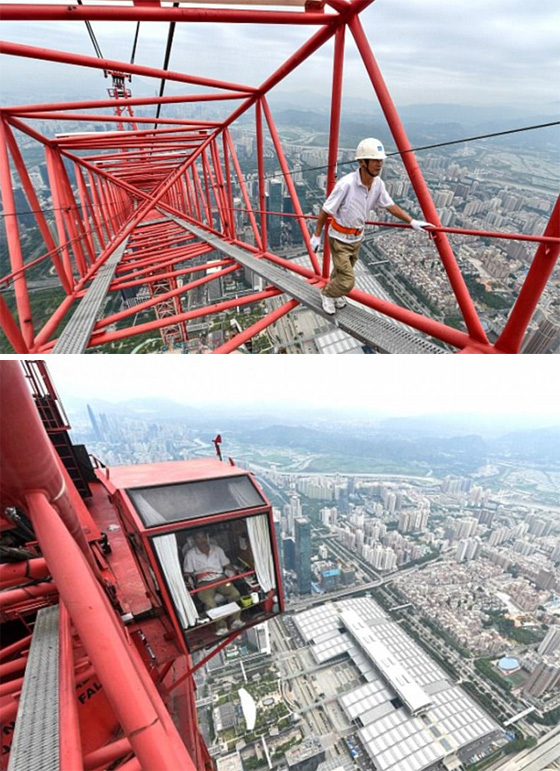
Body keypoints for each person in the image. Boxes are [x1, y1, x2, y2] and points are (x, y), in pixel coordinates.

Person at [310, 137, 434, 315]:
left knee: (341, 271)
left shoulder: (378, 184)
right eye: (375, 160)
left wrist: (411, 221)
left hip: (357, 238)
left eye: (381, 160)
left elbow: (390, 206)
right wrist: (316, 236)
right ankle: (327, 294)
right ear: (362, 162)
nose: (379, 164)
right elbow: (326, 209)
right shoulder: (346, 184)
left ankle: (335, 294)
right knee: (347, 281)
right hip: (339, 239)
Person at [183, 530, 243, 634]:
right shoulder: (190, 554)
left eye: (203, 537)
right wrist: (188, 584)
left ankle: (235, 620)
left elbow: (226, 564)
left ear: (207, 537)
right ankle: (221, 626)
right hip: (203, 582)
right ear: (194, 540)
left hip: (220, 578)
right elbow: (187, 573)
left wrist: (238, 572)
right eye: (198, 538)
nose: (201, 540)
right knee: (209, 602)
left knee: (235, 594)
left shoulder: (217, 550)